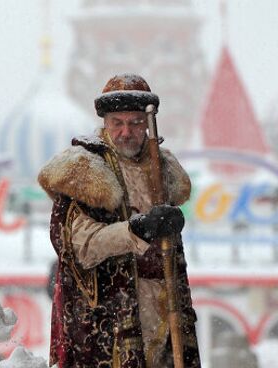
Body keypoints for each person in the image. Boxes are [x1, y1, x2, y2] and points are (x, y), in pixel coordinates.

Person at [38, 74, 200, 368]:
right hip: (108, 322)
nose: (126, 132)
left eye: (136, 123)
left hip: (162, 318)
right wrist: (136, 230)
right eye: (118, 123)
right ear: (106, 123)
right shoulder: (86, 169)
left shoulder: (162, 170)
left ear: (147, 125)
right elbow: (79, 246)